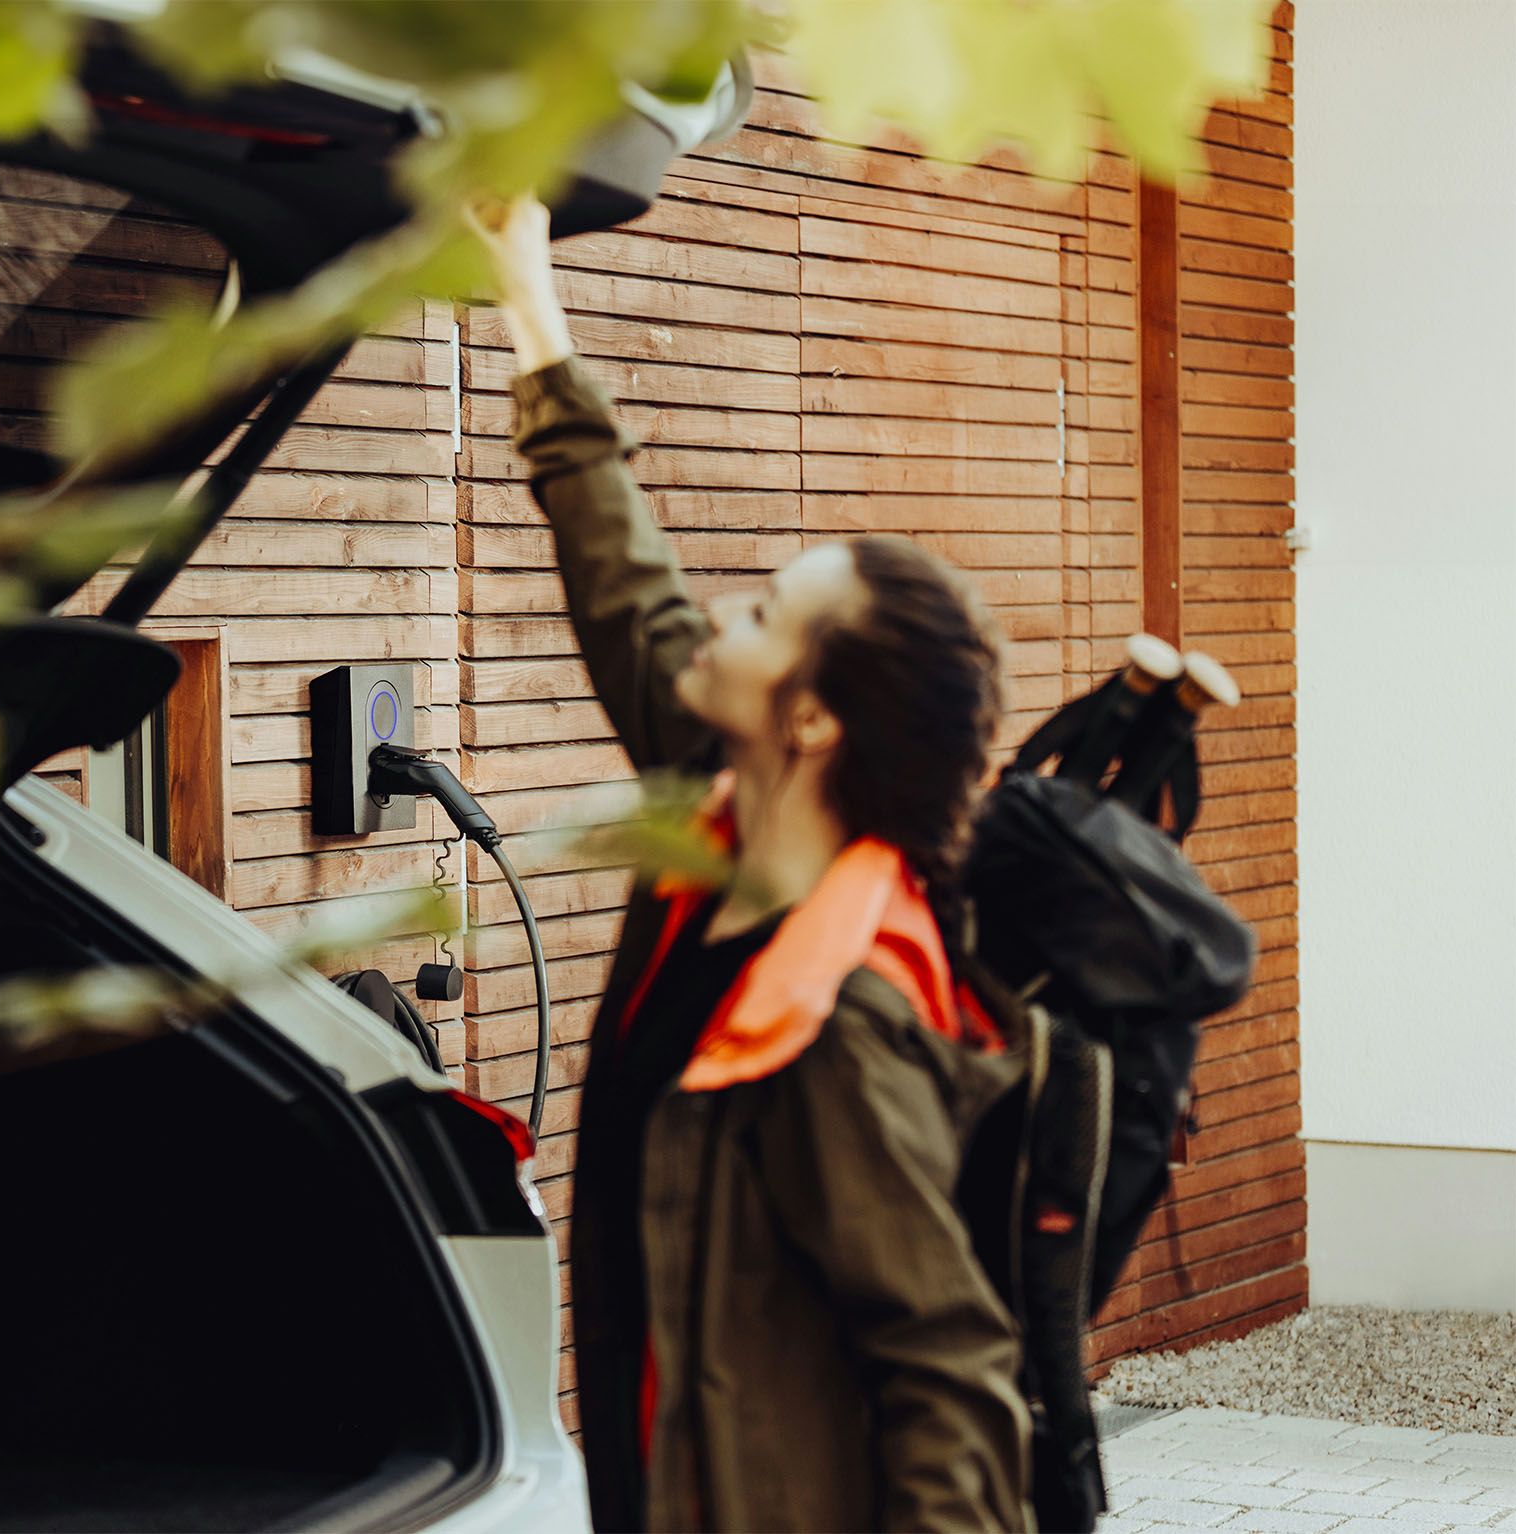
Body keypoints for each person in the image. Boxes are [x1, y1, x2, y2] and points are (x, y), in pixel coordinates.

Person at [469, 196, 1034, 1533]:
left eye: (766, 613)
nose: (724, 611)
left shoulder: (837, 1020)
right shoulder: (719, 827)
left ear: (814, 720)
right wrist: (526, 298)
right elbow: (628, 585)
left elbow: (949, 1371)